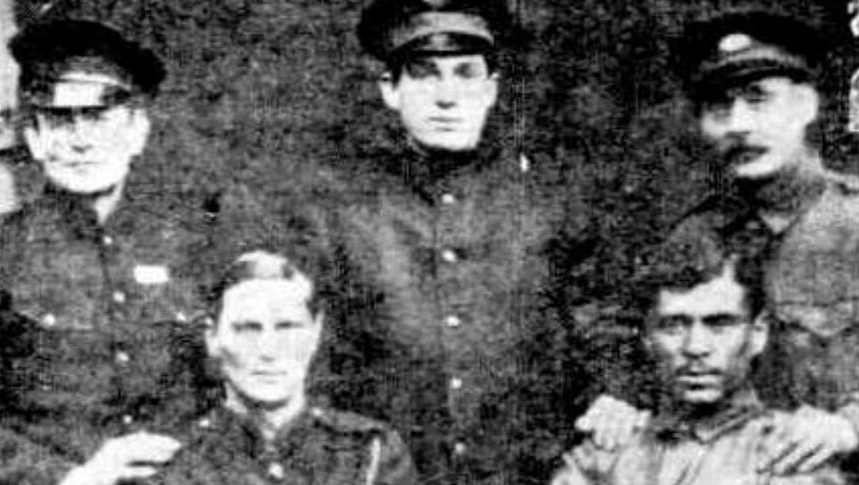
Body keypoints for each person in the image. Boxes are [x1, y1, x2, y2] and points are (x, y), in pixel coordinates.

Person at [305, 0, 612, 482]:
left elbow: (604, 327)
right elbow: (312, 365)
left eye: (466, 73)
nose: (447, 96)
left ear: (491, 89)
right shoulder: (342, 214)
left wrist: (615, 393)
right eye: (425, 74)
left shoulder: (551, 201)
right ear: (391, 90)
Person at [577, 9, 859, 476]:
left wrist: (851, 423)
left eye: (758, 99)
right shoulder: (694, 238)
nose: (738, 124)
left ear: (807, 105)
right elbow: (636, 349)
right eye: (719, 107)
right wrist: (617, 400)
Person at [0, 19, 214, 484]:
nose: (80, 139)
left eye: (98, 117)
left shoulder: (196, 244)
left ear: (137, 131)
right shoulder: (2, 252)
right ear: (34, 137)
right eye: (59, 119)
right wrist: (72, 477)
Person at [553, 242, 847, 485]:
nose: (695, 348)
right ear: (646, 338)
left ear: (758, 333)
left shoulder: (790, 454)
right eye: (673, 326)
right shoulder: (604, 454)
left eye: (719, 325)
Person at [155, 249, 417, 485]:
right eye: (247, 329)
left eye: (287, 327)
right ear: (212, 337)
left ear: (315, 333)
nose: (268, 350)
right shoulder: (167, 459)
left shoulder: (370, 452)